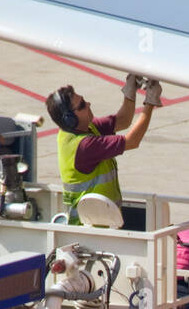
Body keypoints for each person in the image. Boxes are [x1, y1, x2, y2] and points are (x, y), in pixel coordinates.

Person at [45, 74, 161, 227]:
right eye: (82, 105)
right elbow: (132, 141)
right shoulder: (84, 146)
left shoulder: (81, 129)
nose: (88, 104)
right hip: (91, 229)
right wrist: (150, 102)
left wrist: (130, 90)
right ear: (69, 118)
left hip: (101, 223)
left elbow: (123, 120)